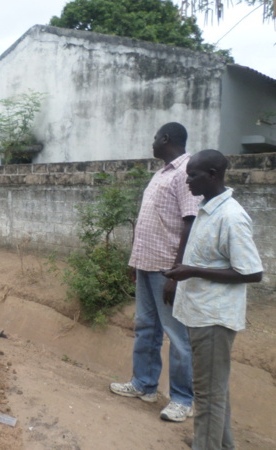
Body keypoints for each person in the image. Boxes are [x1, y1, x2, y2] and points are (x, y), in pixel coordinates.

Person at [165, 150, 263, 449]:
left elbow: (252, 272)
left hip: (214, 319)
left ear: (212, 174)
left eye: (192, 175)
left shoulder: (231, 216)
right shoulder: (207, 208)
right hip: (199, 313)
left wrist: (193, 270)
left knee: (208, 395)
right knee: (214, 390)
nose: (187, 180)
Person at [109, 122, 198, 422]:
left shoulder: (187, 170)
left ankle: (182, 400)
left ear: (166, 138)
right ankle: (144, 385)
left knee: (176, 333)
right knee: (146, 327)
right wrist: (135, 261)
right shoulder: (162, 173)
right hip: (146, 264)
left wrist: (176, 272)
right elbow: (149, 221)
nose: (152, 143)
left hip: (166, 268)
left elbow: (190, 222)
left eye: (154, 138)